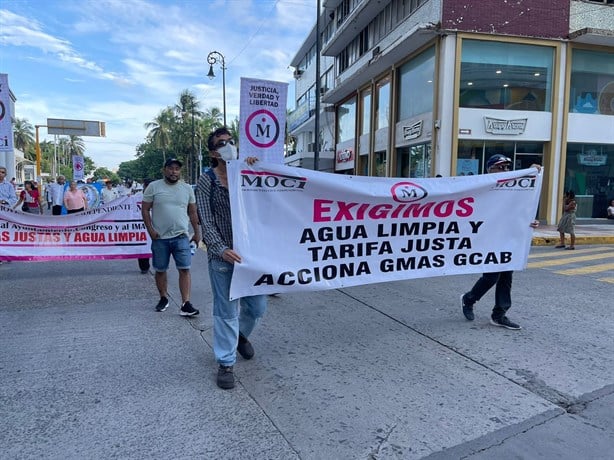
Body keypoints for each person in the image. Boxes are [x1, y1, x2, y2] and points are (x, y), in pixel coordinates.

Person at [195, 127, 268, 390]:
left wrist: (256, 169)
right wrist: (220, 247)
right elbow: (206, 218)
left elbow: (267, 202)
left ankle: (239, 336)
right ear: (213, 152)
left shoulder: (246, 173)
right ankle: (225, 362)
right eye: (222, 143)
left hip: (250, 257)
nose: (228, 146)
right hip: (223, 257)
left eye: (231, 141)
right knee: (226, 311)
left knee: (257, 307)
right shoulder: (207, 181)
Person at [460, 154, 541, 331]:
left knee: (506, 277)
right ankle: (469, 299)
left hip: (508, 239)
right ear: (489, 169)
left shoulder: (514, 189)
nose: (504, 171)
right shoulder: (483, 188)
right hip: (489, 239)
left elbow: (520, 210)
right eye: (500, 167)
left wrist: (530, 221)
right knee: (491, 277)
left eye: (506, 168)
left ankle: (499, 314)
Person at [141, 159, 200, 317]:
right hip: (160, 238)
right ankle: (163, 298)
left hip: (181, 236)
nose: (174, 172)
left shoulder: (187, 188)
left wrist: (197, 232)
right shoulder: (154, 187)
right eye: (171, 168)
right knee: (160, 270)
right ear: (164, 170)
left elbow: (192, 212)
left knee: (185, 269)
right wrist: (150, 230)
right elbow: (145, 209)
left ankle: (186, 303)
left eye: (177, 169)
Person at [137, 178, 153, 274]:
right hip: (140, 226)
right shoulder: (137, 197)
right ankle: (144, 267)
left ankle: (159, 267)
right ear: (144, 186)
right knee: (143, 246)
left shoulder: (157, 196)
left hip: (155, 225)